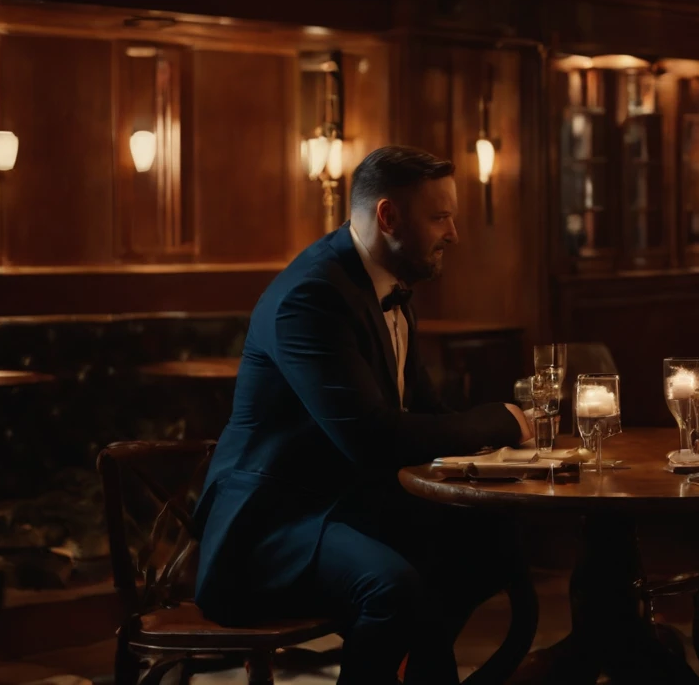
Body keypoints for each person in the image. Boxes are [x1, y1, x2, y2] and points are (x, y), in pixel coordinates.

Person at [191, 145, 534, 685]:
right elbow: (374, 439)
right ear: (389, 217)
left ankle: (423, 674)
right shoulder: (311, 297)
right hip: (273, 525)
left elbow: (427, 414)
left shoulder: (391, 285)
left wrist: (514, 455)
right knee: (391, 587)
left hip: (347, 506)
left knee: (492, 544)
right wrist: (504, 421)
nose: (454, 233)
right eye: (440, 216)